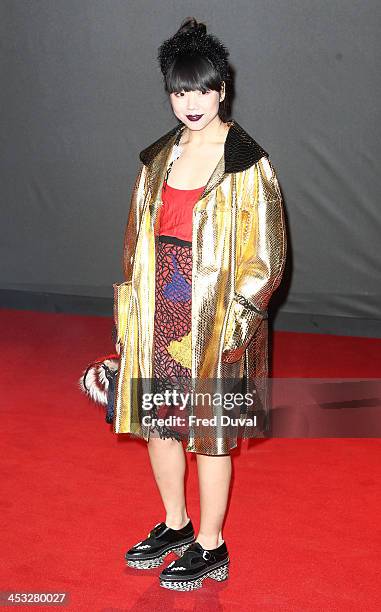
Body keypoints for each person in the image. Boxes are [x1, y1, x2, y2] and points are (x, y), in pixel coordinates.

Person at [112, 17, 287, 591]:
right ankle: (175, 523)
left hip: (213, 315)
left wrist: (234, 326)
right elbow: (136, 242)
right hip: (159, 306)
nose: (191, 102)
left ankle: (212, 545)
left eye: (202, 90)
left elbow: (267, 258)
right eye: (180, 90)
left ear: (222, 91)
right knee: (160, 424)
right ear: (169, 93)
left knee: (210, 432)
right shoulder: (157, 157)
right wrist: (129, 317)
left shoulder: (247, 162)